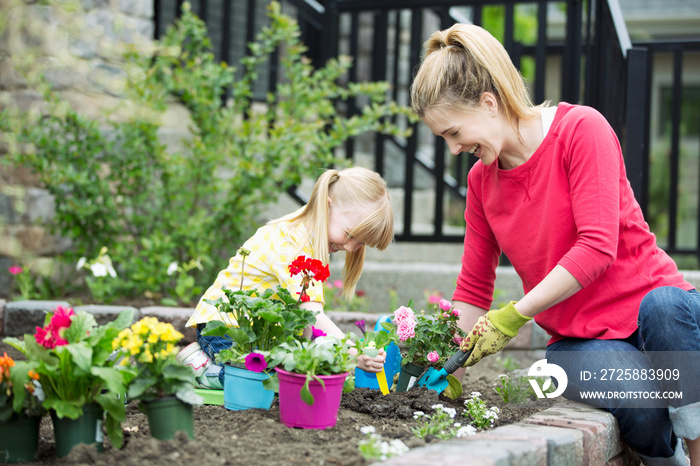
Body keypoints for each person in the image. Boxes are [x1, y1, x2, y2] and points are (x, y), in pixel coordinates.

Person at [410, 23, 699, 466]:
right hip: (580, 342)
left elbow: (597, 247)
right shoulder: (480, 183)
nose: (452, 149)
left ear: (489, 103)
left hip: (656, 321)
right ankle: (669, 457)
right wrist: (444, 369)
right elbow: (472, 290)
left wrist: (515, 314)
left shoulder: (581, 130)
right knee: (639, 399)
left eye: (453, 133)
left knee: (665, 307)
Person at [179, 166, 392, 389]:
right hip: (225, 329)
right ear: (327, 206)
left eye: (360, 242)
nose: (350, 247)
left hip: (257, 334)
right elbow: (312, 316)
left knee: (295, 376)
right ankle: (200, 369)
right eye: (349, 234)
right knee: (263, 381)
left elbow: (306, 326)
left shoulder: (309, 237)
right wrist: (352, 353)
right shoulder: (293, 244)